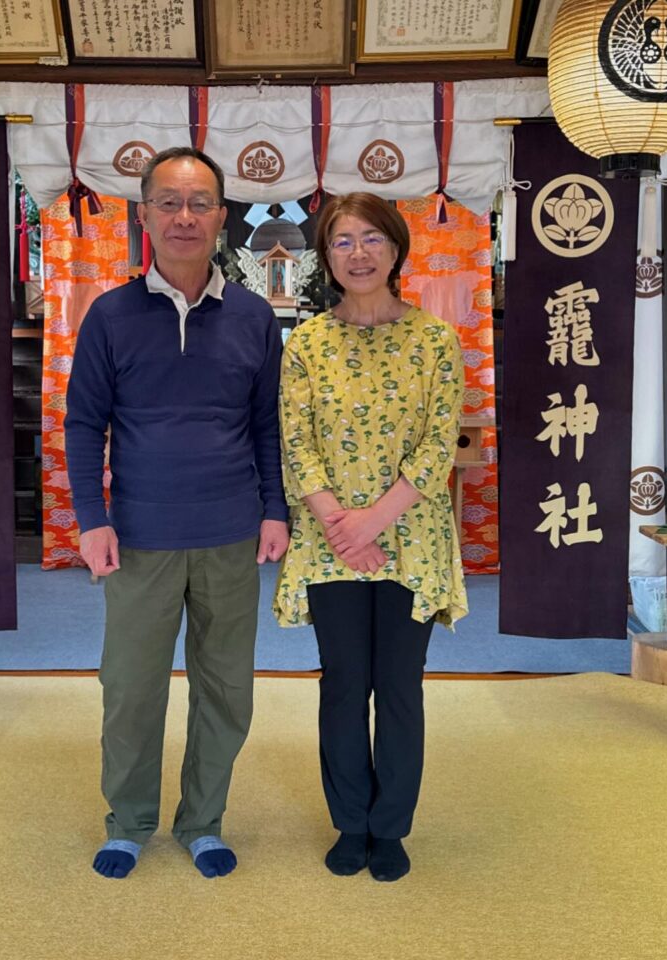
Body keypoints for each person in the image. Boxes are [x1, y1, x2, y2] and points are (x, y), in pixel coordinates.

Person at [65, 147, 289, 880]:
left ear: (222, 216)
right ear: (145, 215)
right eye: (169, 202)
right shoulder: (111, 315)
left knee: (226, 688)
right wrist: (92, 516)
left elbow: (266, 425)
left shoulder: (254, 317)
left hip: (229, 533)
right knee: (130, 687)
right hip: (138, 537)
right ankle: (127, 821)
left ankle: (203, 821)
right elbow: (82, 423)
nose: (184, 217)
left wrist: (275, 510)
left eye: (199, 203)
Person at [274, 192, 467, 882]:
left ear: (396, 249)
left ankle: (391, 829)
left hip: (410, 540)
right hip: (330, 544)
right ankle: (350, 821)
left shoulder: (436, 340)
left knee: (400, 686)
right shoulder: (306, 343)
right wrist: (340, 524)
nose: (358, 254)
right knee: (343, 685)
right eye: (342, 242)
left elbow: (437, 443)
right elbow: (296, 444)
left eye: (371, 239)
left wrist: (372, 523)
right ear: (326, 257)